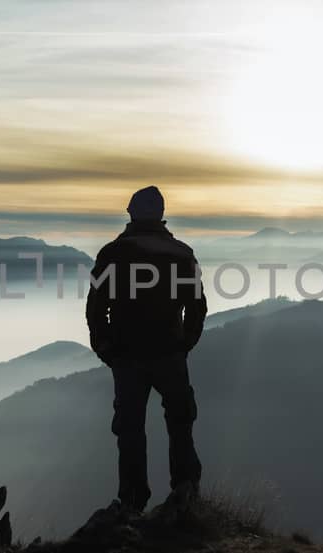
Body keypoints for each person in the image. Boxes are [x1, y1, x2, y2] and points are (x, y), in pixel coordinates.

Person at [85, 185, 207, 513]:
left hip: (127, 355)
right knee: (180, 421)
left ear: (131, 214)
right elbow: (196, 306)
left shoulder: (112, 254)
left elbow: (97, 307)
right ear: (161, 215)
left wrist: (105, 348)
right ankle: (186, 493)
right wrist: (184, 344)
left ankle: (132, 503)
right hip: (170, 353)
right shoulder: (182, 254)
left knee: (130, 429)